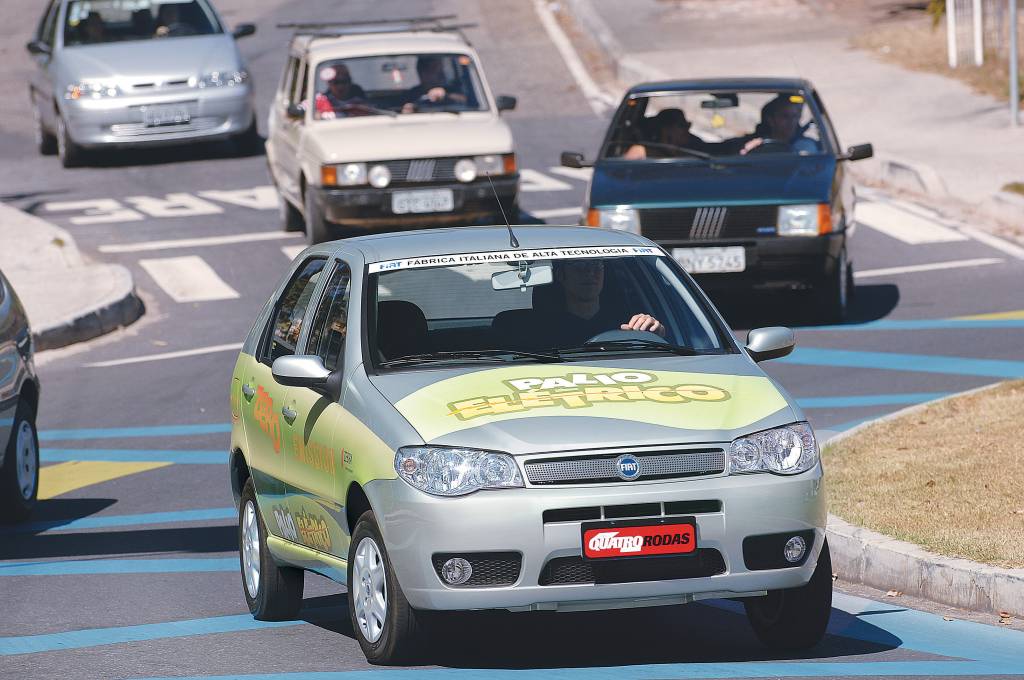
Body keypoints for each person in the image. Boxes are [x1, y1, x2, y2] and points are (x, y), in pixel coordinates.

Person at [530, 259, 665, 347]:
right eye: (580, 265)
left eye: (597, 265)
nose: (590, 272)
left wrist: (655, 331)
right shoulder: (540, 332)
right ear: (560, 275)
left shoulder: (628, 324)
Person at [737, 95, 819, 155]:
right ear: (771, 120)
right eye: (785, 116)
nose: (791, 121)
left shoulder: (806, 145)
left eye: (795, 116)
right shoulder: (756, 145)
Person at [622, 109, 713, 160]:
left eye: (687, 125)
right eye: (682, 126)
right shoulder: (641, 152)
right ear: (666, 129)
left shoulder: (696, 148)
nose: (687, 130)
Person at [401, 56, 467, 113]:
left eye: (440, 68)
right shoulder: (412, 94)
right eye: (433, 68)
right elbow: (396, 112)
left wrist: (446, 95)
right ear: (422, 72)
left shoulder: (451, 89)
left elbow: (467, 101)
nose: (439, 72)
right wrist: (408, 111)